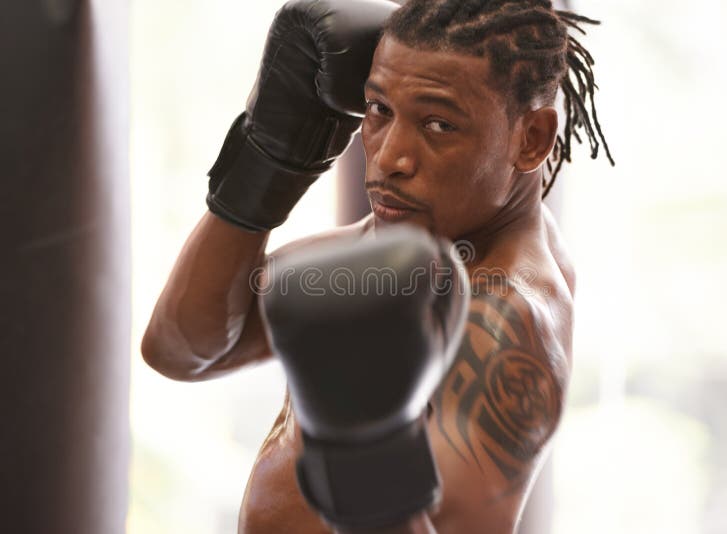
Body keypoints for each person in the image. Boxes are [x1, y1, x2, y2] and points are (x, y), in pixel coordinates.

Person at [141, 0, 614, 532]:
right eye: (379, 111)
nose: (390, 158)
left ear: (531, 139)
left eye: (438, 124)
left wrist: (358, 447)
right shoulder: (422, 238)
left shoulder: (505, 316)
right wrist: (266, 164)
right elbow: (185, 350)